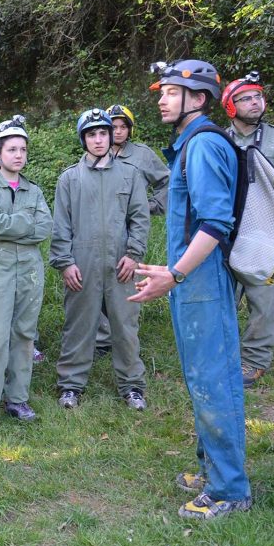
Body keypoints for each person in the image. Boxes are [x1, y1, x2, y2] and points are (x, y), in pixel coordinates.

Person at [131, 58, 252, 520]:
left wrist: (175, 274)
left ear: (197, 98)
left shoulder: (202, 145)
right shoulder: (189, 145)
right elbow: (190, 225)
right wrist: (173, 269)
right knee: (201, 378)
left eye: (169, 92)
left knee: (212, 380)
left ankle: (229, 490)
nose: (161, 99)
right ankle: (213, 470)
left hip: (202, 282)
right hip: (191, 278)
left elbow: (216, 224)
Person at [50, 108, 150, 411]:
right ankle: (71, 385)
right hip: (82, 264)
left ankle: (132, 386)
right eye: (91, 134)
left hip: (121, 265)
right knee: (78, 326)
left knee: (125, 326)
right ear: (84, 139)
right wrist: (65, 262)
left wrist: (133, 255)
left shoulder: (130, 175)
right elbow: (61, 226)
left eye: (103, 133)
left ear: (111, 136)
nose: (98, 139)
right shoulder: (69, 179)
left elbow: (140, 219)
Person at [0, 116, 52, 433]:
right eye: (12, 149)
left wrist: (14, 226)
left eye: (23, 149)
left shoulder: (34, 190)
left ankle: (17, 399)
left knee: (24, 334)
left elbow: (46, 227)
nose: (18, 155)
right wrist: (24, 227)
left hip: (30, 268)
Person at [221, 72, 274, 386]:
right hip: (227, 233)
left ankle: (254, 361)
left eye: (258, 97)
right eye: (246, 98)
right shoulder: (220, 139)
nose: (255, 103)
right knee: (223, 297)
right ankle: (223, 355)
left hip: (267, 234)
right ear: (230, 105)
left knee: (264, 299)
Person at [94, 104, 172, 357]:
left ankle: (125, 336)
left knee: (126, 277)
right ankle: (102, 338)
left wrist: (153, 206)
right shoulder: (96, 152)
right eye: (112, 127)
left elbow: (167, 180)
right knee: (99, 279)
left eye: (122, 127)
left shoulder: (141, 155)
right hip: (100, 227)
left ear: (129, 129)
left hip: (131, 227)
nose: (117, 132)